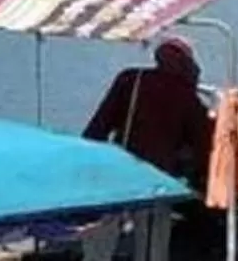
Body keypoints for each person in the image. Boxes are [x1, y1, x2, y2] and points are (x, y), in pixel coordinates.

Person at [82, 35, 213, 190]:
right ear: (188, 66)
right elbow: (203, 145)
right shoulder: (187, 96)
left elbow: (98, 128)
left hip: (126, 165)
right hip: (161, 176)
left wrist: (88, 165)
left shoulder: (132, 79)